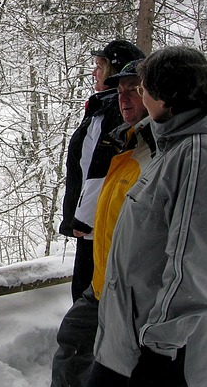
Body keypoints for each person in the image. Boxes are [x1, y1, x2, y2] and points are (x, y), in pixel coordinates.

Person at [86, 46, 207, 387]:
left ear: (167, 96)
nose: (137, 95)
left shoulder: (200, 154)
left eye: (143, 87)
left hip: (164, 350)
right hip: (135, 336)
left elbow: (196, 262)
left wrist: (159, 350)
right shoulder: (175, 144)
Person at [51, 60, 155, 387]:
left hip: (131, 298)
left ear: (156, 94)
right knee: (74, 342)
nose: (124, 99)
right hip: (104, 286)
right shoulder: (127, 146)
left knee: (104, 364)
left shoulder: (164, 154)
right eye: (120, 90)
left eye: (135, 91)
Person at [59, 40, 145, 303]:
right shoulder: (103, 107)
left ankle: (90, 345)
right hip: (97, 224)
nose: (94, 73)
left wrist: (83, 219)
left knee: (90, 298)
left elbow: (102, 168)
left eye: (99, 66)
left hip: (99, 227)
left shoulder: (115, 112)